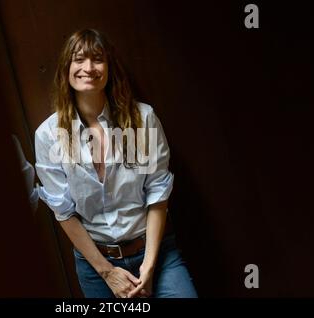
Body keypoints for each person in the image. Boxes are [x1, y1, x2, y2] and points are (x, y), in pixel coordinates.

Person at [20, 29, 197, 298]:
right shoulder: (47, 134)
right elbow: (63, 211)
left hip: (156, 254)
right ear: (66, 69)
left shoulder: (143, 118)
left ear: (109, 67)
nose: (88, 67)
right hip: (96, 265)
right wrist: (108, 273)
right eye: (78, 59)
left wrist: (148, 269)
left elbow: (158, 193)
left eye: (97, 59)